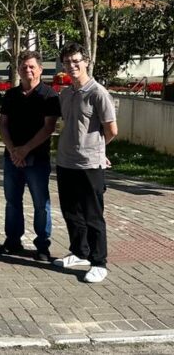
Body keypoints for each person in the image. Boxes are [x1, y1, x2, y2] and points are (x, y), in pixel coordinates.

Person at [53, 42, 117, 283]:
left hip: (89, 165)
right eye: (68, 62)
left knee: (93, 215)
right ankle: (80, 252)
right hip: (65, 162)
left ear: (86, 62)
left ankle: (99, 262)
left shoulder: (97, 93)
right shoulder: (66, 93)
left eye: (76, 61)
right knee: (71, 212)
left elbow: (111, 129)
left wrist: (98, 150)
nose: (72, 66)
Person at [0, 51, 60, 262]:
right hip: (12, 158)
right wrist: (14, 149)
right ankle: (13, 240)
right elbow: (2, 125)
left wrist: (25, 149)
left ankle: (42, 245)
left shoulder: (49, 95)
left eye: (32, 66)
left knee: (41, 204)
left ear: (40, 69)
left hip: (37, 159)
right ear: (18, 70)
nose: (28, 70)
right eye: (24, 67)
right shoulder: (10, 95)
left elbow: (48, 127)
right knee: (12, 202)